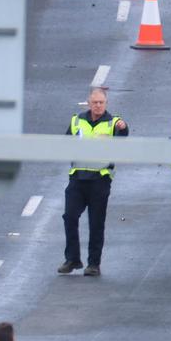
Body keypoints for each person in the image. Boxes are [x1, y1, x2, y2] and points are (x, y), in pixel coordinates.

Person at [57, 88, 128, 276]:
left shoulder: (113, 123)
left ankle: (94, 264)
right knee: (70, 217)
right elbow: (65, 143)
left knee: (96, 223)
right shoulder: (77, 121)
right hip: (78, 178)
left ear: (106, 103)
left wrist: (124, 128)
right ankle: (72, 259)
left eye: (101, 102)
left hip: (100, 180)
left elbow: (123, 140)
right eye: (95, 102)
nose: (98, 105)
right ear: (89, 103)